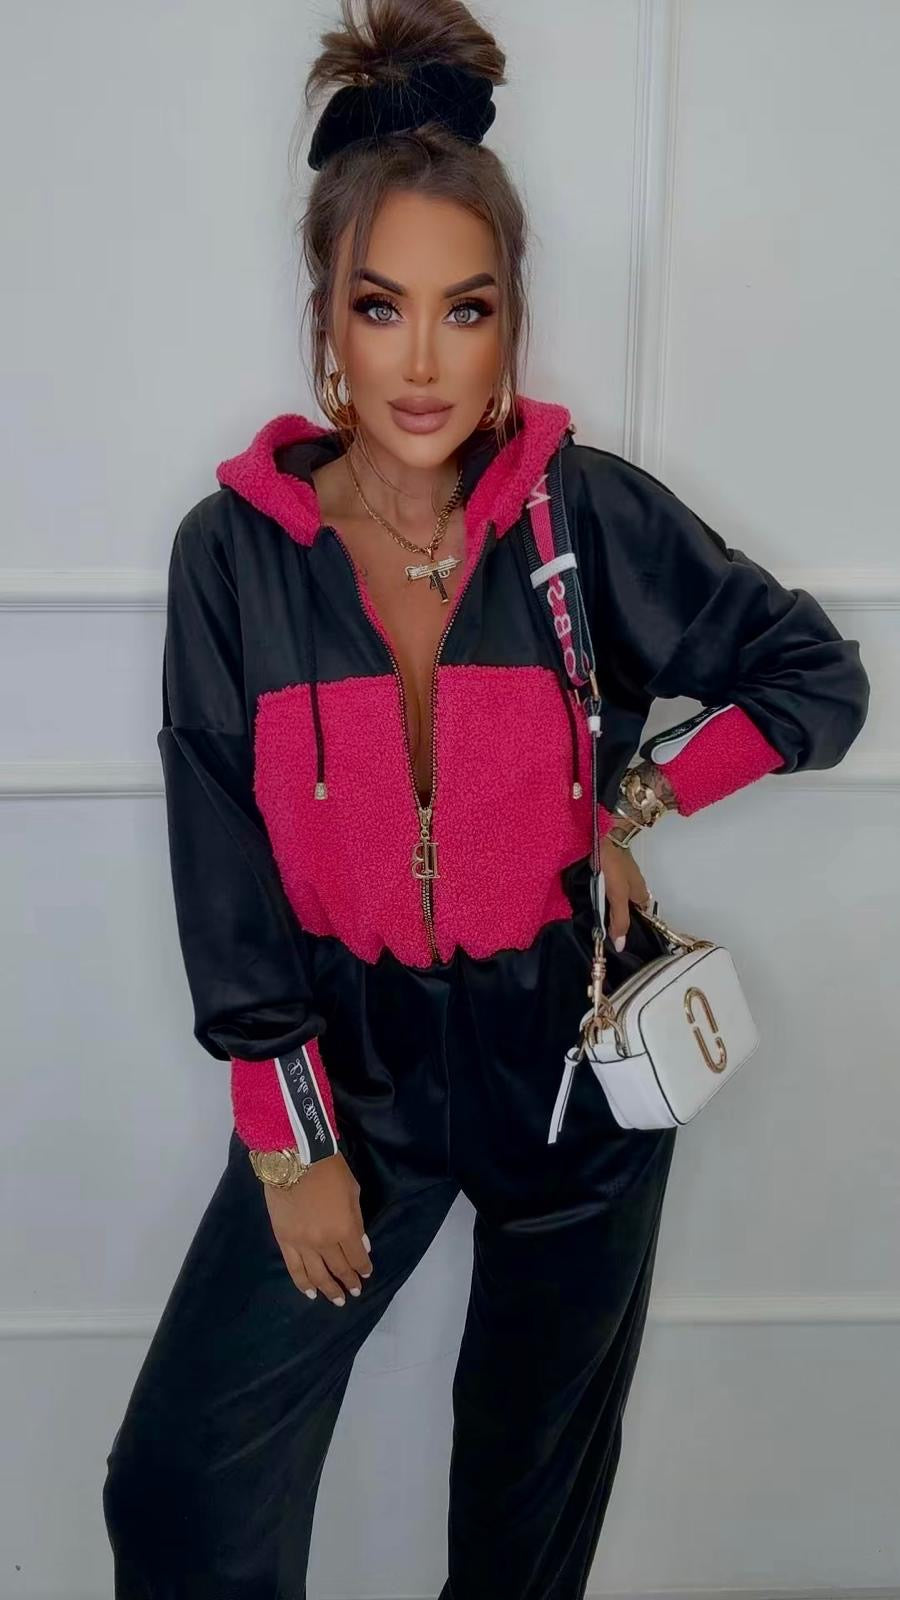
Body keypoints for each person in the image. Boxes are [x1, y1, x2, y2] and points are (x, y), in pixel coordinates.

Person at [101, 2, 871, 1595]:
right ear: (327, 317)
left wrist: (632, 801)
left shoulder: (582, 518)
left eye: (467, 309)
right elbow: (221, 856)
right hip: (359, 1076)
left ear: (512, 319)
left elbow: (815, 679)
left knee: (523, 1540)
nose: (423, 360)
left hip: (570, 1066)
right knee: (182, 1484)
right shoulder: (236, 556)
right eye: (381, 306)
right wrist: (290, 1137)